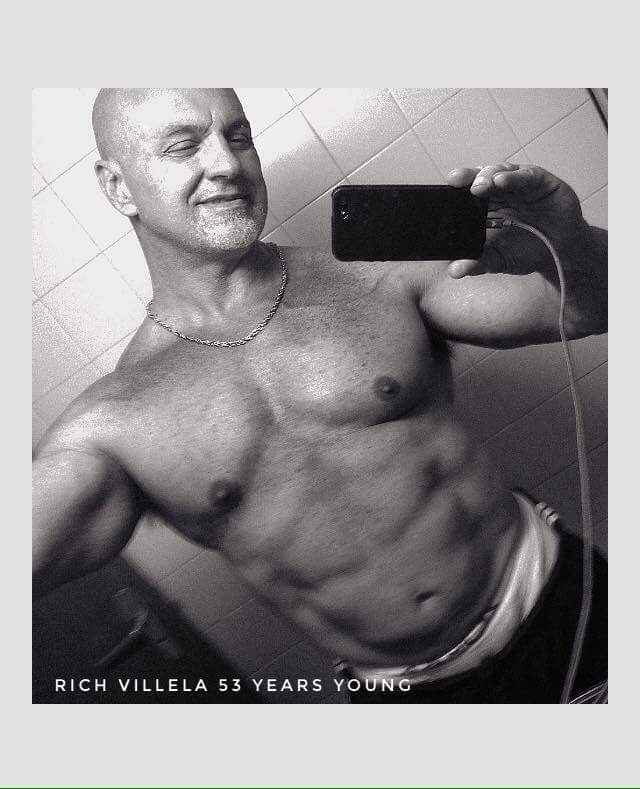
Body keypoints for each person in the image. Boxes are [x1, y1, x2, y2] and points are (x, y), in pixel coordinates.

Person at [32, 89, 607, 703]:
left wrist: (570, 239)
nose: (227, 164)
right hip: (413, 697)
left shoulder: (375, 275)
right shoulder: (115, 425)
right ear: (117, 186)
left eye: (238, 136)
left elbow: (591, 306)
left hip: (565, 602)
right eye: (183, 146)